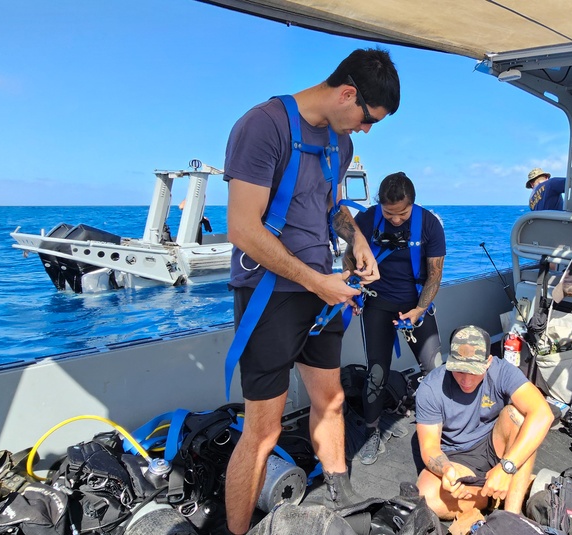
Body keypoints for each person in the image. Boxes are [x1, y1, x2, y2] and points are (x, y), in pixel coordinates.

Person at [222, 48, 400, 535]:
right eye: (367, 119)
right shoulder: (262, 126)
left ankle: (341, 495)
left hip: (321, 290)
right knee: (264, 431)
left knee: (332, 398)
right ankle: (236, 530)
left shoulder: (338, 144)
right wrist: (315, 281)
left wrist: (357, 237)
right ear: (347, 93)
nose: (365, 131)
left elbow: (331, 205)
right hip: (270, 292)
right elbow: (242, 228)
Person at [344, 171, 446, 465]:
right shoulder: (367, 219)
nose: (396, 219)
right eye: (390, 213)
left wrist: (419, 310)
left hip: (416, 305)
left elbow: (435, 275)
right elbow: (350, 255)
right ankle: (372, 432)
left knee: (435, 369)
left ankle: (444, 428)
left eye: (402, 213)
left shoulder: (429, 224)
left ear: (413, 204)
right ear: (380, 205)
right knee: (376, 372)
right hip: (377, 304)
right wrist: (351, 281)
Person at [414, 325, 552, 520]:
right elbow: (430, 448)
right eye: (459, 370)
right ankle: (501, 492)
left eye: (474, 371)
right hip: (457, 456)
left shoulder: (502, 370)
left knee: (519, 418)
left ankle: (510, 517)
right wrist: (446, 469)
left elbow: (543, 413)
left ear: (488, 362)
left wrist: (507, 467)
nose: (466, 380)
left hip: (495, 444)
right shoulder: (431, 387)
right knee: (426, 498)